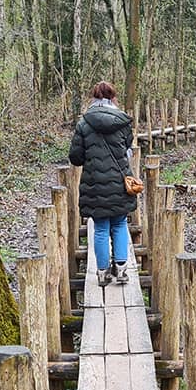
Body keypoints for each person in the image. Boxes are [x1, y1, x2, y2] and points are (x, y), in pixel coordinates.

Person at [68, 81, 137, 287]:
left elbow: (76, 158)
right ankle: (122, 271)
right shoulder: (123, 121)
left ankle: (102, 273)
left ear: (94, 97)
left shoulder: (83, 124)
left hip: (94, 185)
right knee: (119, 224)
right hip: (119, 182)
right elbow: (128, 149)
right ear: (113, 97)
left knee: (100, 228)